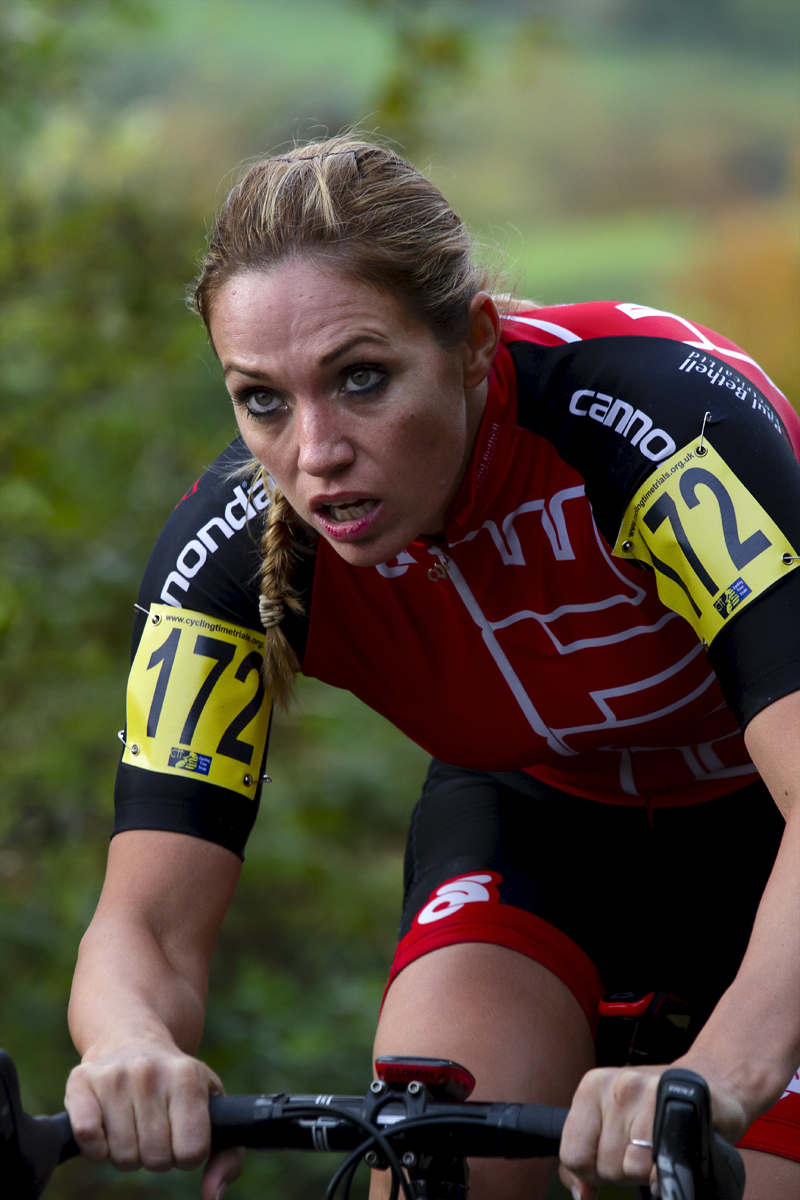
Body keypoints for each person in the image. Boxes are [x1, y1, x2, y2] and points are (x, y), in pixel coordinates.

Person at [65, 137, 800, 1200]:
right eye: (262, 399)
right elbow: (145, 925)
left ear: (470, 343)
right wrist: (131, 1048)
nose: (314, 451)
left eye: (361, 380)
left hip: (766, 822)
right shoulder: (229, 555)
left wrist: (717, 1074)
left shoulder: (662, 433)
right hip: (536, 815)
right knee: (432, 1157)